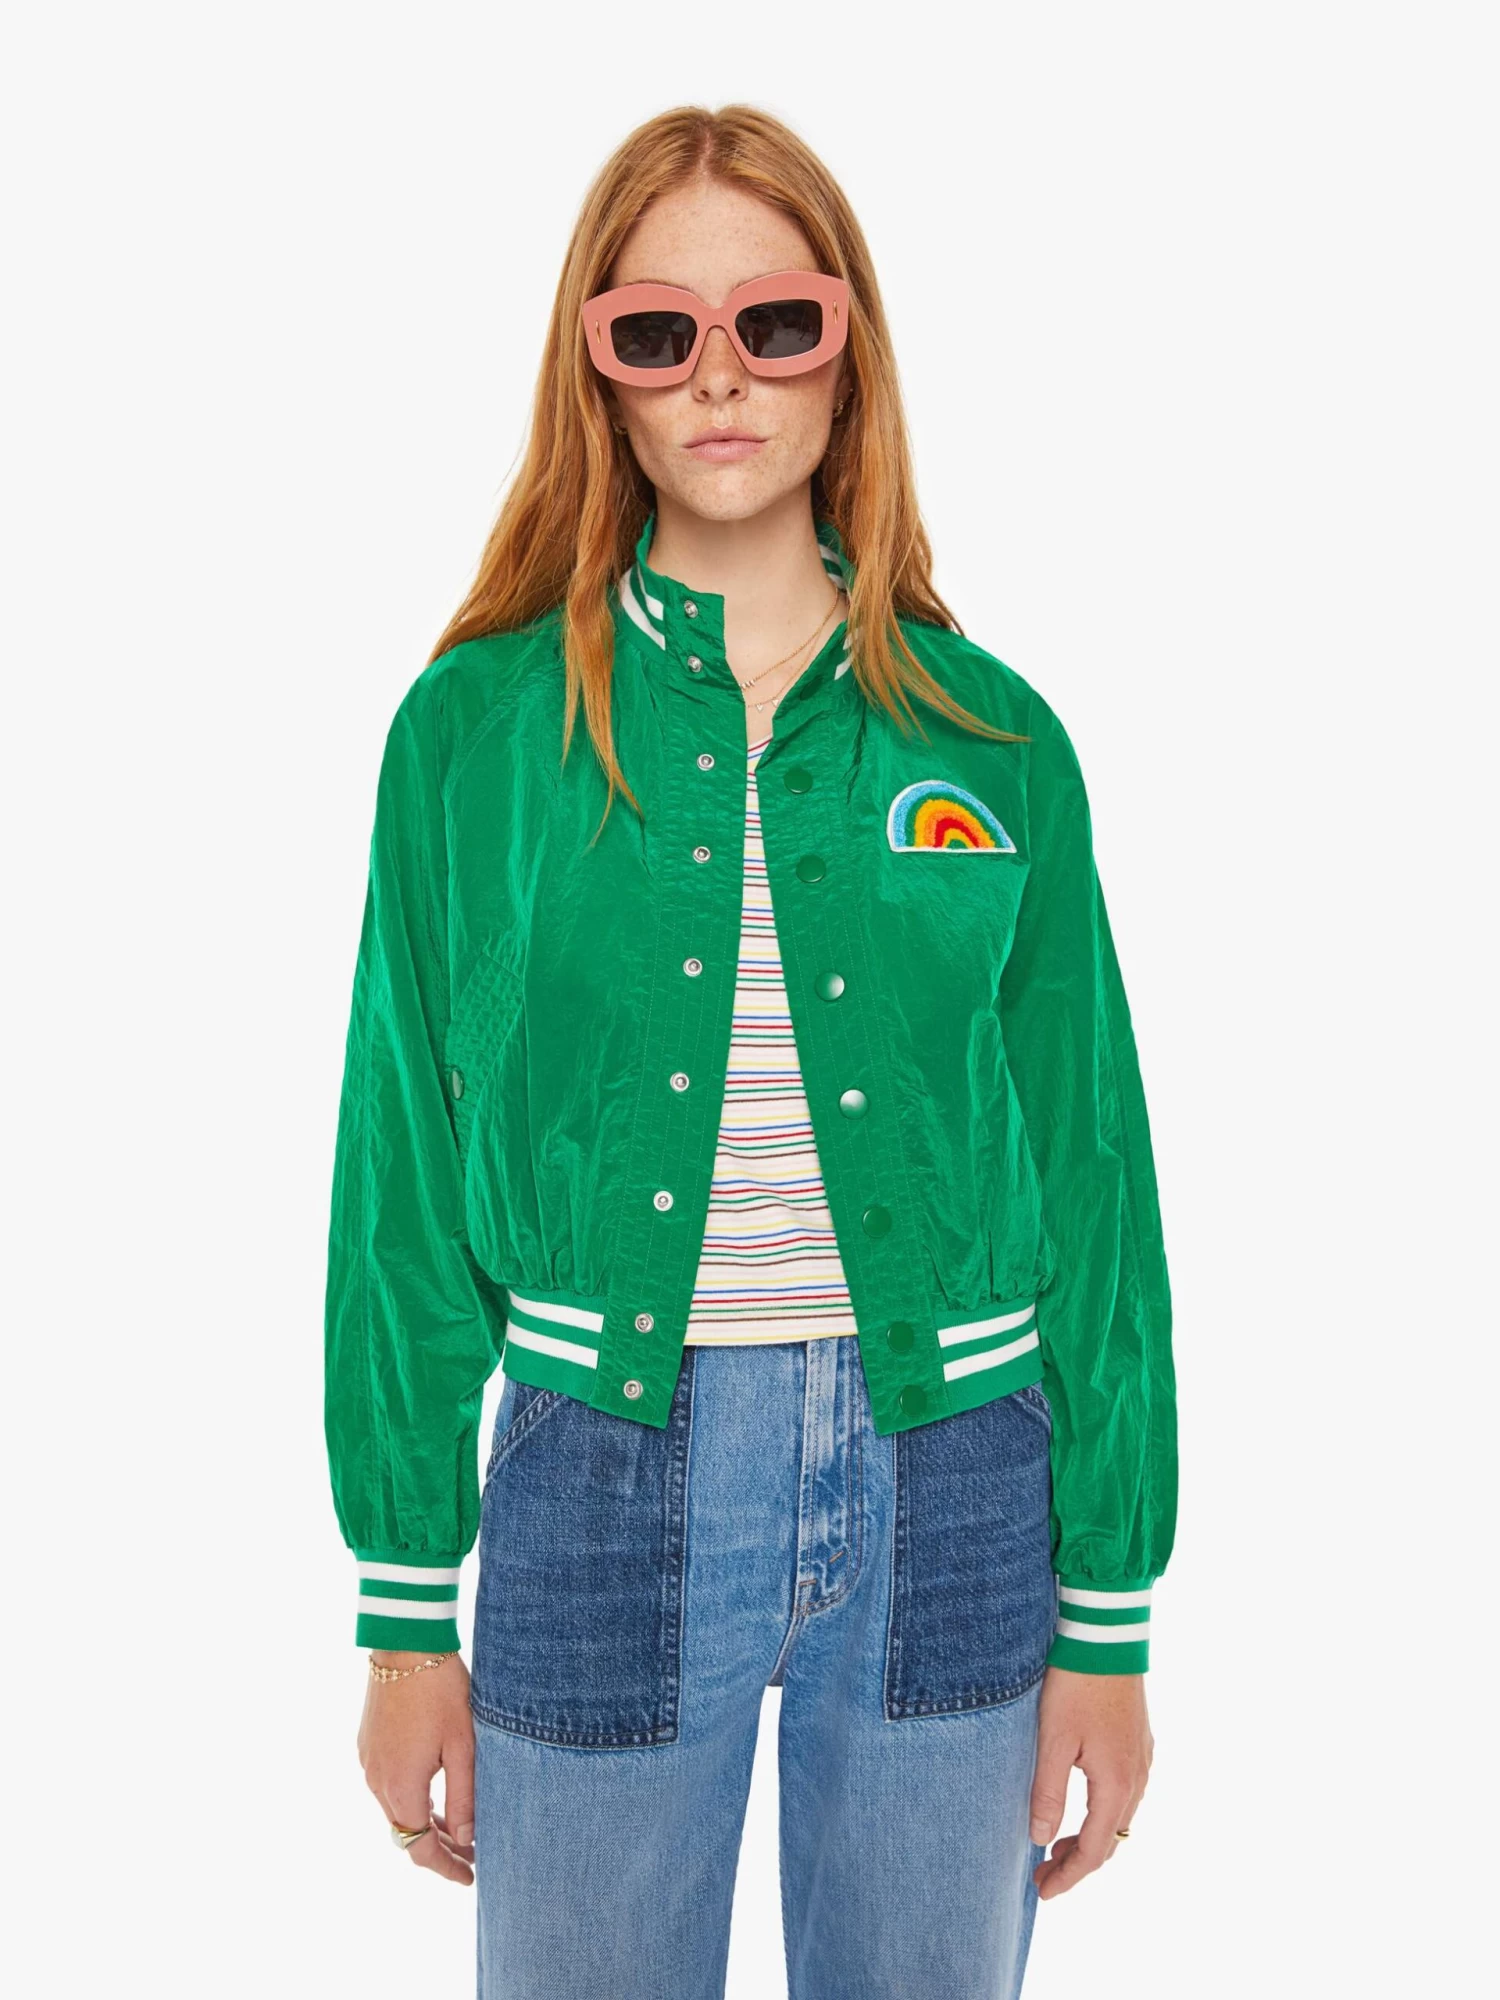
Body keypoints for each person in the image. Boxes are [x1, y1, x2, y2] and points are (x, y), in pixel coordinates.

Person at [324, 101, 1176, 2000]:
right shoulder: (472, 737)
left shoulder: (992, 741)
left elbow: (1095, 1172)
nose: (721, 376)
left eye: (776, 323)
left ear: (847, 351)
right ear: (600, 377)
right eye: (658, 333)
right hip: (597, 1469)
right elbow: (399, 1174)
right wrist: (402, 1607)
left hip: (960, 1476)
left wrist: (1108, 1617)